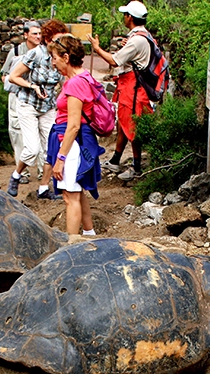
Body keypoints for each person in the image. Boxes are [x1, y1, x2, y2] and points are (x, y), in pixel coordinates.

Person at [88, 1, 153, 181]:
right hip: (132, 86)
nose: (124, 17)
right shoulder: (142, 37)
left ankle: (137, 167)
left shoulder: (137, 40)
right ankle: (116, 159)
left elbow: (114, 61)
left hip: (133, 88)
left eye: (125, 14)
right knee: (124, 123)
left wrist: (97, 48)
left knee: (131, 124)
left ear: (130, 17)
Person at [47, 35, 104, 235]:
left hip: (71, 144)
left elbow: (73, 126)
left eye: (54, 57)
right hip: (74, 142)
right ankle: (89, 234)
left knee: (69, 197)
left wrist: (60, 159)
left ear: (65, 57)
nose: (53, 62)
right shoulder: (82, 76)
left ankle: (70, 244)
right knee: (78, 192)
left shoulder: (74, 84)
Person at [6, 19, 68, 200]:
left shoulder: (61, 56)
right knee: (32, 149)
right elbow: (13, 77)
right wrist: (32, 86)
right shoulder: (36, 54)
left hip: (48, 106)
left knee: (52, 148)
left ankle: (43, 188)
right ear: (48, 39)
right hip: (28, 104)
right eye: (57, 39)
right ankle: (16, 175)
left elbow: (65, 81)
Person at [1, 21, 44, 184]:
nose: (38, 36)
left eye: (40, 33)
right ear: (26, 35)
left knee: (42, 131)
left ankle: (43, 170)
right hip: (18, 96)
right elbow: (4, 75)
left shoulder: (45, 52)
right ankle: (23, 172)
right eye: (34, 33)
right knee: (17, 132)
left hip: (38, 96)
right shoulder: (16, 52)